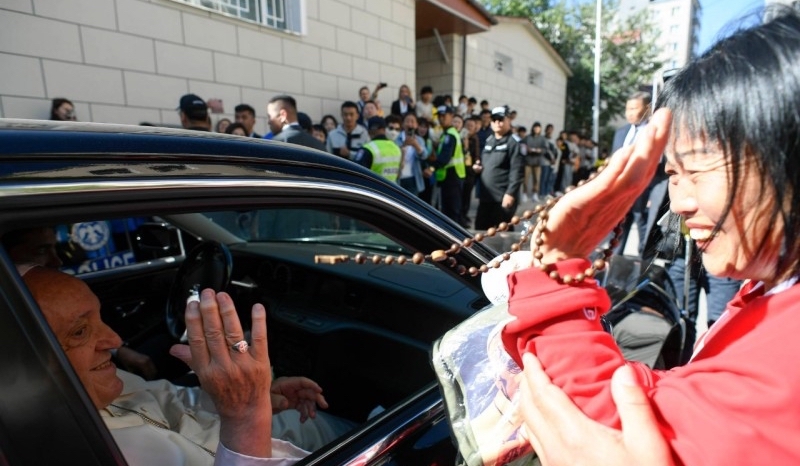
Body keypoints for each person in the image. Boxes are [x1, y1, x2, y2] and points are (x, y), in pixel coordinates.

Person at [493, 10, 800, 465]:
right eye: (673, 174)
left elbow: (603, 428)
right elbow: (686, 397)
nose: (680, 202)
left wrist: (559, 260)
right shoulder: (770, 289)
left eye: (697, 169)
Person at [19, 265, 355, 464]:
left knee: (330, 424)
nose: (114, 339)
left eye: (100, 318)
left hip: (243, 430)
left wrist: (242, 396)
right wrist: (246, 416)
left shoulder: (97, 381)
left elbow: (173, 399)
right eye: (80, 332)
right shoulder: (74, 451)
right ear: (23, 363)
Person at [472, 106, 524, 231]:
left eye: (501, 119)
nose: (497, 123)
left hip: (502, 198)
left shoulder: (513, 142)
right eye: (494, 120)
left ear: (508, 120)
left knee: (503, 233)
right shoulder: (489, 140)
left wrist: (510, 194)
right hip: (486, 197)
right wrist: (478, 168)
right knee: (481, 231)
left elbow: (517, 171)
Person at [431, 105, 466, 224]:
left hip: (452, 177)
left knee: (451, 212)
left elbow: (444, 158)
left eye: (443, 116)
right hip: (450, 177)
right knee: (449, 211)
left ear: (451, 116)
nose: (441, 118)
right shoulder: (447, 133)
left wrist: (432, 167)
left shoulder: (450, 135)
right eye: (439, 116)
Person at [352, 116, 402, 182]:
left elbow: (356, 174)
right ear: (384, 129)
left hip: (372, 187)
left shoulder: (368, 149)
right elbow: (398, 174)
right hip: (390, 187)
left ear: (369, 131)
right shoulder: (396, 148)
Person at [395, 112, 430, 195]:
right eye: (407, 121)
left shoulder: (419, 140)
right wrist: (403, 145)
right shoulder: (397, 138)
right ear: (403, 124)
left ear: (416, 125)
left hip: (413, 178)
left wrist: (416, 145)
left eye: (412, 121)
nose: (410, 124)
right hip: (398, 177)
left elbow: (424, 156)